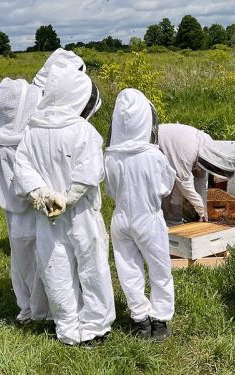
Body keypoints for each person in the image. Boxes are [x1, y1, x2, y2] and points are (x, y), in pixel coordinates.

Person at [14, 60, 114, 345]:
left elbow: (22, 167)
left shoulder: (31, 131)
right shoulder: (83, 131)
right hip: (81, 214)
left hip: (46, 214)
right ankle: (94, 327)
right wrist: (65, 198)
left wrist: (41, 193)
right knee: (91, 267)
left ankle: (68, 328)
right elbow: (89, 173)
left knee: (55, 268)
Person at [104, 89, 176, 341]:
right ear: (146, 120)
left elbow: (111, 190)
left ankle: (140, 319)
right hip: (148, 217)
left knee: (128, 269)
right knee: (159, 269)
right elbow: (166, 187)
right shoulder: (154, 156)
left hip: (120, 217)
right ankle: (160, 319)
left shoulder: (109, 156)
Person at [0, 78, 50, 324]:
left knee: (20, 259)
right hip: (29, 212)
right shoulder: (17, 143)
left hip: (15, 213)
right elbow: (28, 187)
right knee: (35, 262)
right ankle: (39, 312)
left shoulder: (0, 137)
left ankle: (26, 305)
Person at [158, 123, 235, 225]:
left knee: (177, 186)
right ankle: (169, 222)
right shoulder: (188, 153)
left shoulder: (208, 146)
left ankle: (174, 222)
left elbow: (201, 182)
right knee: (169, 186)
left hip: (177, 148)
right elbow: (184, 184)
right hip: (157, 145)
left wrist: (204, 211)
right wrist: (200, 209)